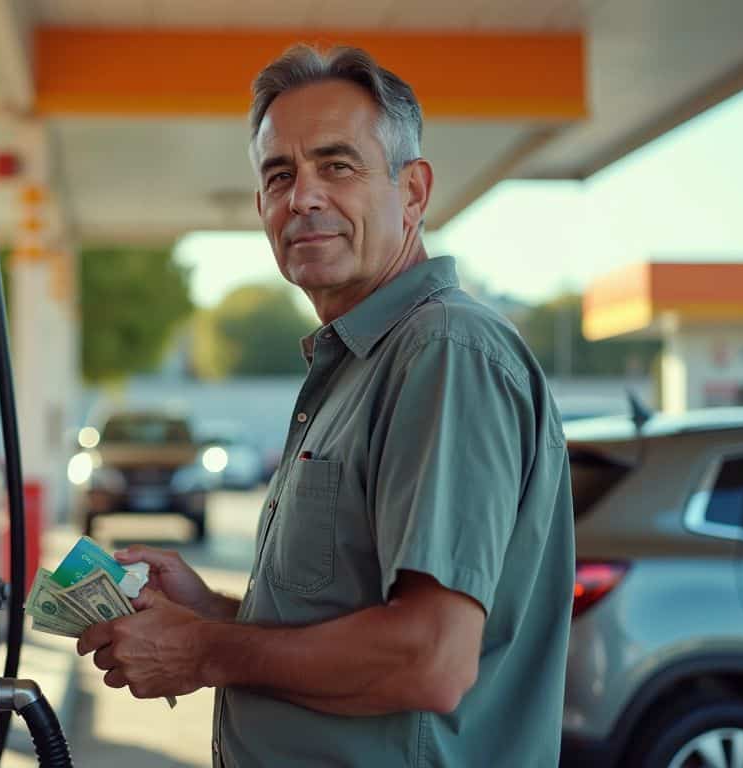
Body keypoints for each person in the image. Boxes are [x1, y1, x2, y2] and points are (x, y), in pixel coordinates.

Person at [77, 44, 575, 767]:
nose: (303, 197)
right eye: (280, 176)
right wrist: (210, 612)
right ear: (261, 208)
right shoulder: (357, 366)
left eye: (337, 166)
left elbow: (428, 659)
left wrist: (205, 650)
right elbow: (341, 622)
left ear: (413, 191)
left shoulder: (445, 352)